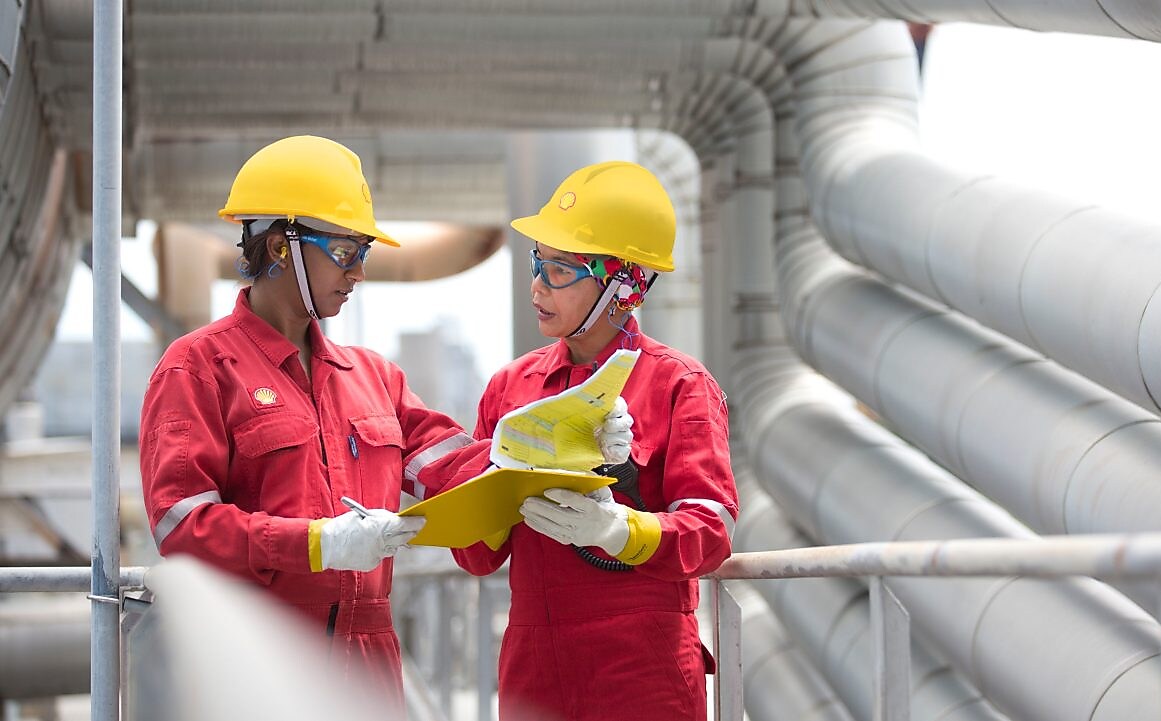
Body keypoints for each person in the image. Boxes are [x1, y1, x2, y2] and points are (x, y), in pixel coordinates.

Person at [137, 136, 633, 715]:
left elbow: (462, 472)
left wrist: (569, 438)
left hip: (368, 664)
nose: (361, 272)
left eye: (363, 251)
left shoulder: (373, 379)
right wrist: (319, 544)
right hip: (257, 660)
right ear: (280, 245)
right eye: (346, 250)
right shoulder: (198, 367)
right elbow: (181, 525)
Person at [451, 161, 738, 721]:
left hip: (642, 672)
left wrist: (618, 530)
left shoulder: (680, 384)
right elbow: (478, 557)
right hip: (535, 671)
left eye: (560, 269)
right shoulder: (511, 389)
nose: (537, 284)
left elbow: (711, 531)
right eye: (538, 262)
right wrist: (486, 495)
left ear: (624, 284)